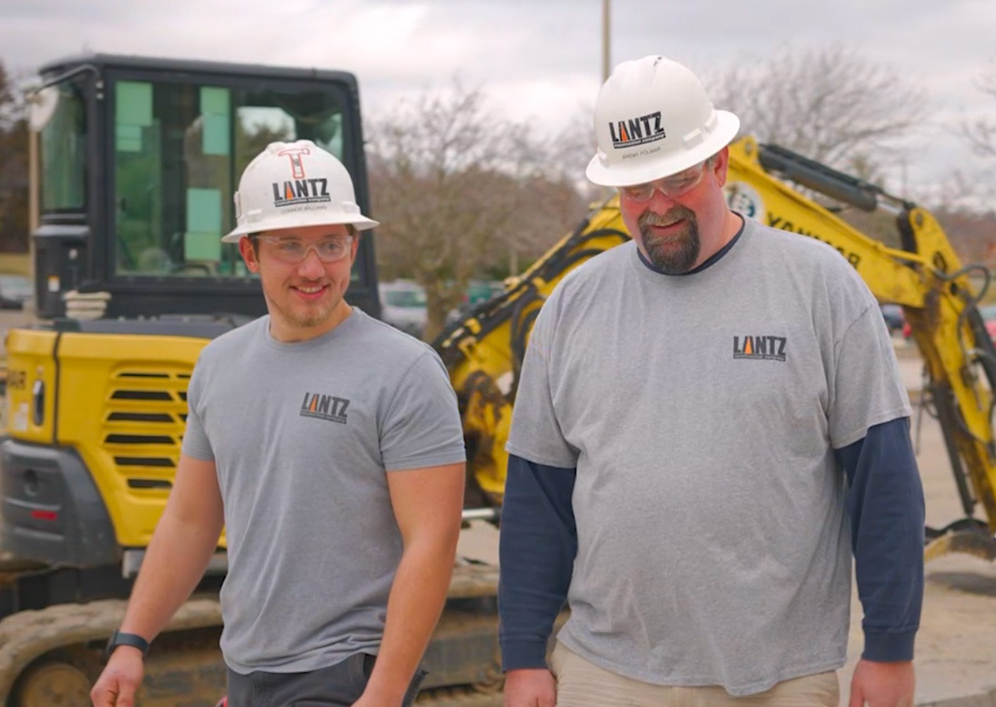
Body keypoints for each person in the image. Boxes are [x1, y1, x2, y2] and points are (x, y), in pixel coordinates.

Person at [498, 56, 924, 707]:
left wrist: (891, 647)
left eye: (679, 179)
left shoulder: (821, 286)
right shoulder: (573, 305)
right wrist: (524, 655)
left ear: (720, 164)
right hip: (606, 669)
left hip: (779, 674)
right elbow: (537, 497)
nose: (658, 206)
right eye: (636, 189)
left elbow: (884, 479)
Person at [91, 140, 467, 707]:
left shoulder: (405, 371)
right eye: (289, 246)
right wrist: (131, 641)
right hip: (247, 668)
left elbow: (431, 542)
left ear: (354, 246)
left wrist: (382, 695)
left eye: (331, 245)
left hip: (346, 673)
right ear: (250, 252)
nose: (313, 269)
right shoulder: (219, 365)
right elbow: (191, 521)